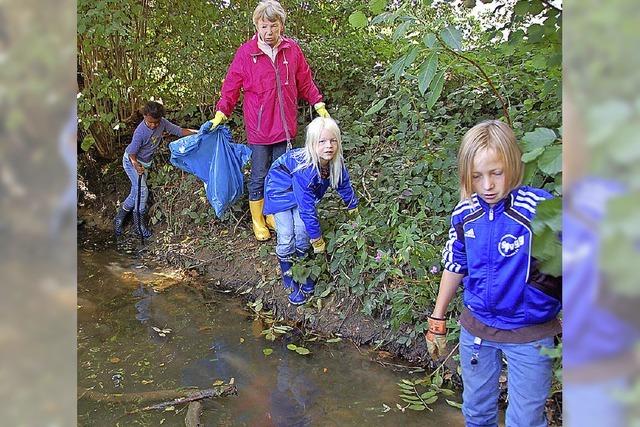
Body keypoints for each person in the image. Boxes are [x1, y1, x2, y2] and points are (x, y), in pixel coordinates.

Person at [425, 120, 561, 427]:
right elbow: (455, 263)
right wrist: (438, 318)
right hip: (477, 331)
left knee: (525, 420)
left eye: (495, 173)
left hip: (530, 335)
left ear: (512, 164)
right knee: (476, 412)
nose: (487, 186)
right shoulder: (465, 214)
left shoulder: (538, 209)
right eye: (477, 177)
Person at [207, 0, 330, 242]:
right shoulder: (246, 53)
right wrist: (222, 112)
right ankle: (257, 219)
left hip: (285, 127)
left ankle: (272, 213)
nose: (269, 32)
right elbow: (231, 87)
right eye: (264, 26)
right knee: (260, 174)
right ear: (256, 26)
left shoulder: (292, 50)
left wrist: (318, 103)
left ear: (281, 25)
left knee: (282, 173)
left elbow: (304, 80)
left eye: (273, 26)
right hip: (260, 128)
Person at [263, 117, 357, 305]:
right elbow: (307, 210)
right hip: (280, 191)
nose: (328, 146)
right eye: (322, 141)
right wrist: (317, 239)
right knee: (287, 234)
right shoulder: (305, 169)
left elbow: (344, 185)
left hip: (300, 192)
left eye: (333, 140)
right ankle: (289, 277)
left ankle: (303, 271)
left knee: (301, 232)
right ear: (312, 144)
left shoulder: (335, 164)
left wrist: (353, 209)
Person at [114, 101, 196, 238]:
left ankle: (119, 218)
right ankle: (139, 226)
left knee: (136, 192)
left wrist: (199, 132)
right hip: (131, 161)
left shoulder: (162, 123)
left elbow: (179, 131)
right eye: (150, 122)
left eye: (156, 123)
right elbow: (131, 154)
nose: (153, 125)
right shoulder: (140, 132)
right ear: (144, 116)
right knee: (143, 191)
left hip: (144, 163)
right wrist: (135, 165)